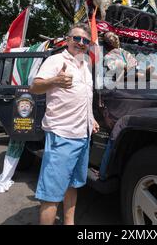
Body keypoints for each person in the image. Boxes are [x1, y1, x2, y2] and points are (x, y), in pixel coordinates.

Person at [30, 23, 100, 225]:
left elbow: (85, 98)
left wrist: (91, 119)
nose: (81, 43)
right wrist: (55, 81)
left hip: (83, 135)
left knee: (73, 184)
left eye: (85, 40)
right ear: (68, 40)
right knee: (51, 194)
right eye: (76, 38)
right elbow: (35, 87)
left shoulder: (86, 64)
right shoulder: (55, 60)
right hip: (62, 135)